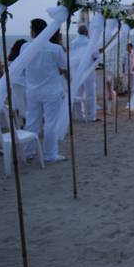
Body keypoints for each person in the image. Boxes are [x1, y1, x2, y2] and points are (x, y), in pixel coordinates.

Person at [24, 19, 67, 162]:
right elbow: (63, 67)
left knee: (32, 122)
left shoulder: (25, 47)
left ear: (34, 31)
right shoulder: (55, 49)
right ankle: (49, 154)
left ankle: (28, 151)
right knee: (50, 124)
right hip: (51, 91)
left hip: (32, 91)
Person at [71, 24, 98, 122]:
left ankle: (79, 116)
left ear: (78, 32)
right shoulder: (90, 42)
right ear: (87, 32)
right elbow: (96, 56)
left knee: (78, 93)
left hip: (76, 71)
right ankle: (90, 116)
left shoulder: (72, 43)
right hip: (88, 71)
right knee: (90, 93)